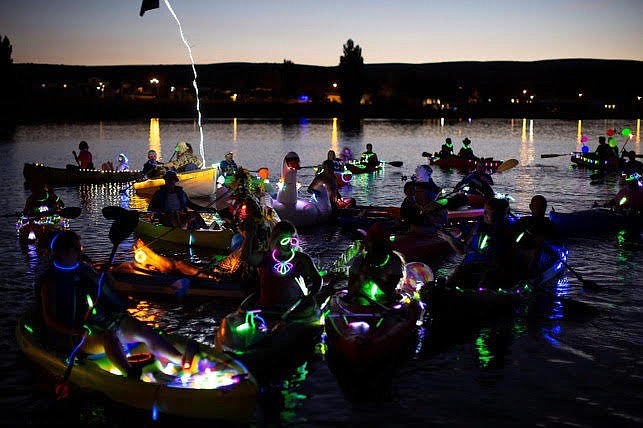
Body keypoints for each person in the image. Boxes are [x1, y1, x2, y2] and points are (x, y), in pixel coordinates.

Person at [35, 231, 192, 379]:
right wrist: (77, 331)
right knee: (108, 337)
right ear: (63, 252)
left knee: (139, 328)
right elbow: (50, 320)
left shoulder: (85, 270)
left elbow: (107, 295)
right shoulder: (51, 282)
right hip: (75, 337)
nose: (81, 251)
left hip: (98, 323)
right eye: (77, 248)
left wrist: (109, 285)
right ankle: (129, 373)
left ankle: (180, 359)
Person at [438, 197, 516, 289]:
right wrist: (450, 239)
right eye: (485, 211)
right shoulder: (478, 227)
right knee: (457, 273)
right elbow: (463, 250)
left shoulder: (507, 232)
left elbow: (501, 261)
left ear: (500, 214)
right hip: (469, 268)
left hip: (487, 273)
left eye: (489, 212)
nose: (485, 214)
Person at [256, 220, 322, 309]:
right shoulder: (265, 257)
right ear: (276, 240)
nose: (290, 245)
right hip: (268, 309)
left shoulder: (302, 259)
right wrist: (249, 235)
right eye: (286, 240)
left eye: (293, 240)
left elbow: (317, 279)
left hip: (293, 309)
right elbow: (246, 258)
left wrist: (310, 296)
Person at [347, 222, 406, 305]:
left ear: (386, 246)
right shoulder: (359, 261)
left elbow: (390, 292)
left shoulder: (395, 261)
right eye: (373, 244)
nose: (376, 250)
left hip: (386, 304)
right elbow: (350, 292)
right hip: (362, 303)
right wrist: (361, 279)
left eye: (379, 245)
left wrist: (374, 277)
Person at [515, 195, 561, 273]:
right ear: (531, 207)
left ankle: (529, 273)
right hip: (523, 252)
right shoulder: (522, 222)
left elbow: (557, 242)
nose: (539, 209)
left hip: (540, 256)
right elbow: (515, 239)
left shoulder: (550, 225)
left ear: (545, 208)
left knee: (536, 253)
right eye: (537, 206)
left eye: (542, 206)